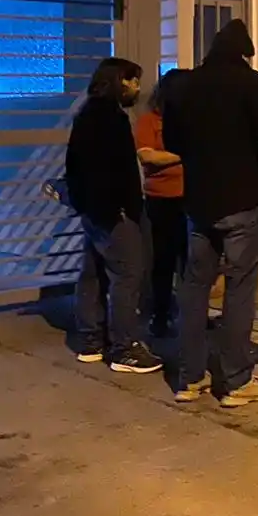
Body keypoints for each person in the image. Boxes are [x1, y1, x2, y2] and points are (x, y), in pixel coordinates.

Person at [165, 19, 258, 408]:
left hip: (197, 204)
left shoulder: (185, 87)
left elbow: (173, 141)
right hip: (241, 202)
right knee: (239, 290)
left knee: (193, 289)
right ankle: (237, 381)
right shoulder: (252, 84)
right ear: (244, 53)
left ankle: (189, 378)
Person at [66, 57, 162, 373]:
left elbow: (74, 166)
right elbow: (120, 172)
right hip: (114, 213)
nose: (137, 88)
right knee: (128, 274)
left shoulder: (86, 115)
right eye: (134, 81)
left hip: (93, 211)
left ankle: (91, 341)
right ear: (121, 81)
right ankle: (125, 348)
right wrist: (128, 209)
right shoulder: (112, 119)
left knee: (92, 274)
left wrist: (83, 203)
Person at [134, 68, 191, 339]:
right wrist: (184, 155)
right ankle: (160, 315)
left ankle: (192, 315)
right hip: (162, 200)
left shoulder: (193, 120)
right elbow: (148, 157)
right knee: (163, 261)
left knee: (192, 262)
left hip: (191, 197)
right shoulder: (150, 120)